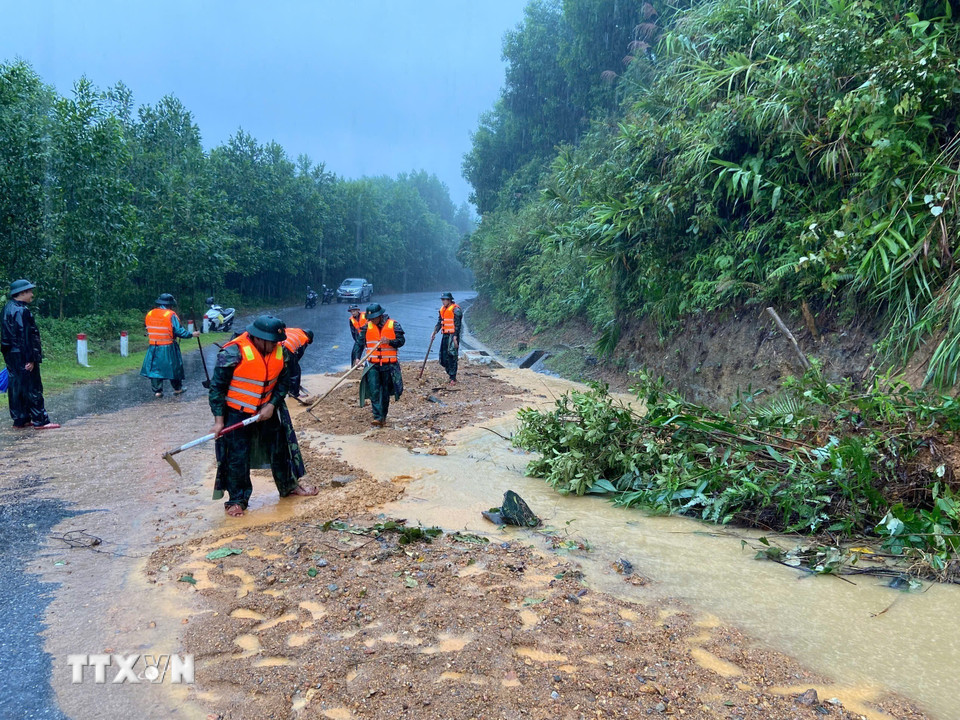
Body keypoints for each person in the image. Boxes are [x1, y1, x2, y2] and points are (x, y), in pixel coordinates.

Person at [209, 315, 317, 516]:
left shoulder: (281, 352)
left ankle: (289, 487)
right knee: (237, 456)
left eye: (277, 341)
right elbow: (216, 388)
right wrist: (219, 421)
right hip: (237, 413)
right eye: (271, 342)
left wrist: (272, 404)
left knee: (280, 449)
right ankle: (237, 500)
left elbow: (283, 383)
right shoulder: (233, 352)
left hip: (266, 411)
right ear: (258, 338)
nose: (276, 345)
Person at [1, 279, 59, 429]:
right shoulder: (21, 311)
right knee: (32, 387)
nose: (32, 294)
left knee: (17, 387)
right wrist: (30, 358)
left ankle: (21, 419)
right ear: (21, 293)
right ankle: (41, 420)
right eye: (29, 291)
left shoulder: (7, 308)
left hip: (11, 355)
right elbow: (24, 336)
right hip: (22, 354)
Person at [140, 293, 200, 397]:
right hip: (168, 346)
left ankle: (157, 391)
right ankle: (178, 389)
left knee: (155, 369)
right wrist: (191, 334)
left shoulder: (150, 314)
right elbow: (178, 331)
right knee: (174, 368)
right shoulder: (170, 315)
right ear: (170, 304)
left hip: (153, 346)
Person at [357, 303, 404, 427]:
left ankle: (383, 416)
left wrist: (389, 342)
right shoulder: (367, 327)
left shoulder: (393, 325)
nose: (372, 320)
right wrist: (357, 358)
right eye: (370, 318)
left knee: (385, 392)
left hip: (389, 365)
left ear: (380, 315)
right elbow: (359, 343)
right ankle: (377, 417)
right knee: (374, 390)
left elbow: (401, 341)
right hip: (373, 364)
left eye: (374, 318)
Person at [430, 292, 462, 384]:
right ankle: (450, 373)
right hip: (445, 335)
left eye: (445, 300)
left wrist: (455, 337)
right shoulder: (442, 309)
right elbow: (440, 321)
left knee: (452, 355)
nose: (443, 301)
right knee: (443, 357)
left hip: (452, 335)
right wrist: (435, 331)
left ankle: (453, 377)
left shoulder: (456, 310)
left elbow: (458, 325)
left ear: (449, 300)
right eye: (442, 300)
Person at [282, 327, 314, 400]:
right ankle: (295, 393)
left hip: (276, 345)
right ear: (309, 338)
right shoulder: (304, 339)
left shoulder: (293, 330)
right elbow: (297, 357)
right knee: (295, 371)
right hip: (287, 349)